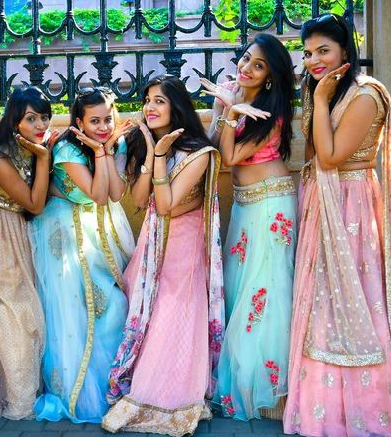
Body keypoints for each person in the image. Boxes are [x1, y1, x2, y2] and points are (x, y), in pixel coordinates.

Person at [282, 14, 391, 436]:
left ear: (346, 49)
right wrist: (318, 99)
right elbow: (311, 154)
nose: (313, 60)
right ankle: (322, 405)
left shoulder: (365, 95)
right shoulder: (325, 91)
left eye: (323, 50)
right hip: (322, 200)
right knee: (321, 300)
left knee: (354, 297)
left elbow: (330, 157)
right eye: (307, 53)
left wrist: (319, 100)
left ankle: (368, 404)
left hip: (351, 204)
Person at [102, 75, 224, 437]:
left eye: (159, 101)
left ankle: (167, 393)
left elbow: (168, 204)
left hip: (184, 246)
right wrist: (150, 156)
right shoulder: (146, 144)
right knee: (146, 312)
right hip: (153, 242)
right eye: (147, 100)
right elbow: (141, 201)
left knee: (173, 314)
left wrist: (159, 156)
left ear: (177, 107)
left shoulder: (198, 153)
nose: (150, 107)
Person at [201, 33, 297, 421]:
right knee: (240, 288)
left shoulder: (272, 113)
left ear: (270, 76)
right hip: (244, 204)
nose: (247, 68)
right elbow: (212, 145)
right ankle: (244, 381)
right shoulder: (227, 91)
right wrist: (224, 108)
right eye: (245, 58)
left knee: (266, 291)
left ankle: (269, 394)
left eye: (259, 66)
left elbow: (231, 156)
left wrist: (232, 111)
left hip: (271, 204)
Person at [29, 86, 135, 423]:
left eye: (108, 119)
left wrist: (108, 150)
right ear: (79, 123)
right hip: (64, 228)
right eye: (95, 121)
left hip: (99, 226)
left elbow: (115, 194)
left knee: (113, 306)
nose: (104, 127)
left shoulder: (116, 142)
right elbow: (96, 194)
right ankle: (79, 394)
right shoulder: (67, 149)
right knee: (72, 309)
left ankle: (113, 386)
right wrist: (101, 153)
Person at [0, 87, 56, 421]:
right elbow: (34, 203)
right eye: (31, 118)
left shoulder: (30, 147)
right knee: (11, 312)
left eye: (44, 117)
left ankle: (26, 390)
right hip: (2, 238)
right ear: (14, 120)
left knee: (28, 312)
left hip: (23, 234)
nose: (40, 125)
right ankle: (13, 397)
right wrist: (44, 158)